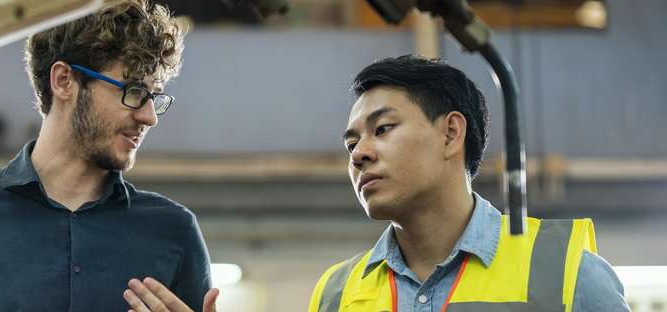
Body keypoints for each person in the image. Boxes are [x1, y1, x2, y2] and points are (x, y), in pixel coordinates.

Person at [121, 55, 630, 312]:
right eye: (350, 144)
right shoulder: (338, 293)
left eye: (383, 129)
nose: (360, 152)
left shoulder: (567, 275)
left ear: (452, 132)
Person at [0, 1, 213, 310]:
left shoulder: (174, 231)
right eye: (134, 91)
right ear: (64, 81)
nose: (149, 117)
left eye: (153, 97)